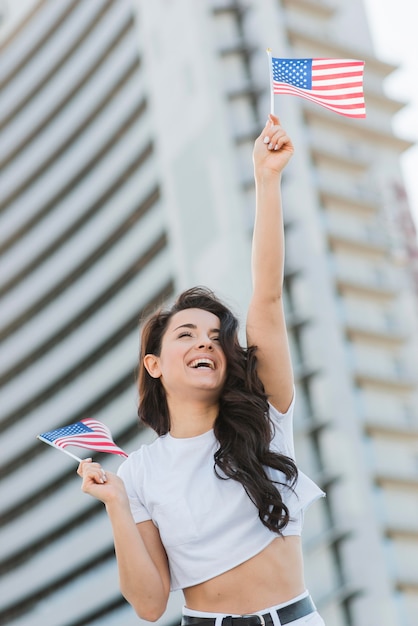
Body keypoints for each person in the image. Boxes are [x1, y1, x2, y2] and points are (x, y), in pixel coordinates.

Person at [77, 114, 326, 626]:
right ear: (155, 365)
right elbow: (149, 605)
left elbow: (268, 296)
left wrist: (267, 179)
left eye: (216, 337)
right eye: (186, 334)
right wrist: (116, 504)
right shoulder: (141, 472)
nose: (205, 343)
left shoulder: (266, 417)